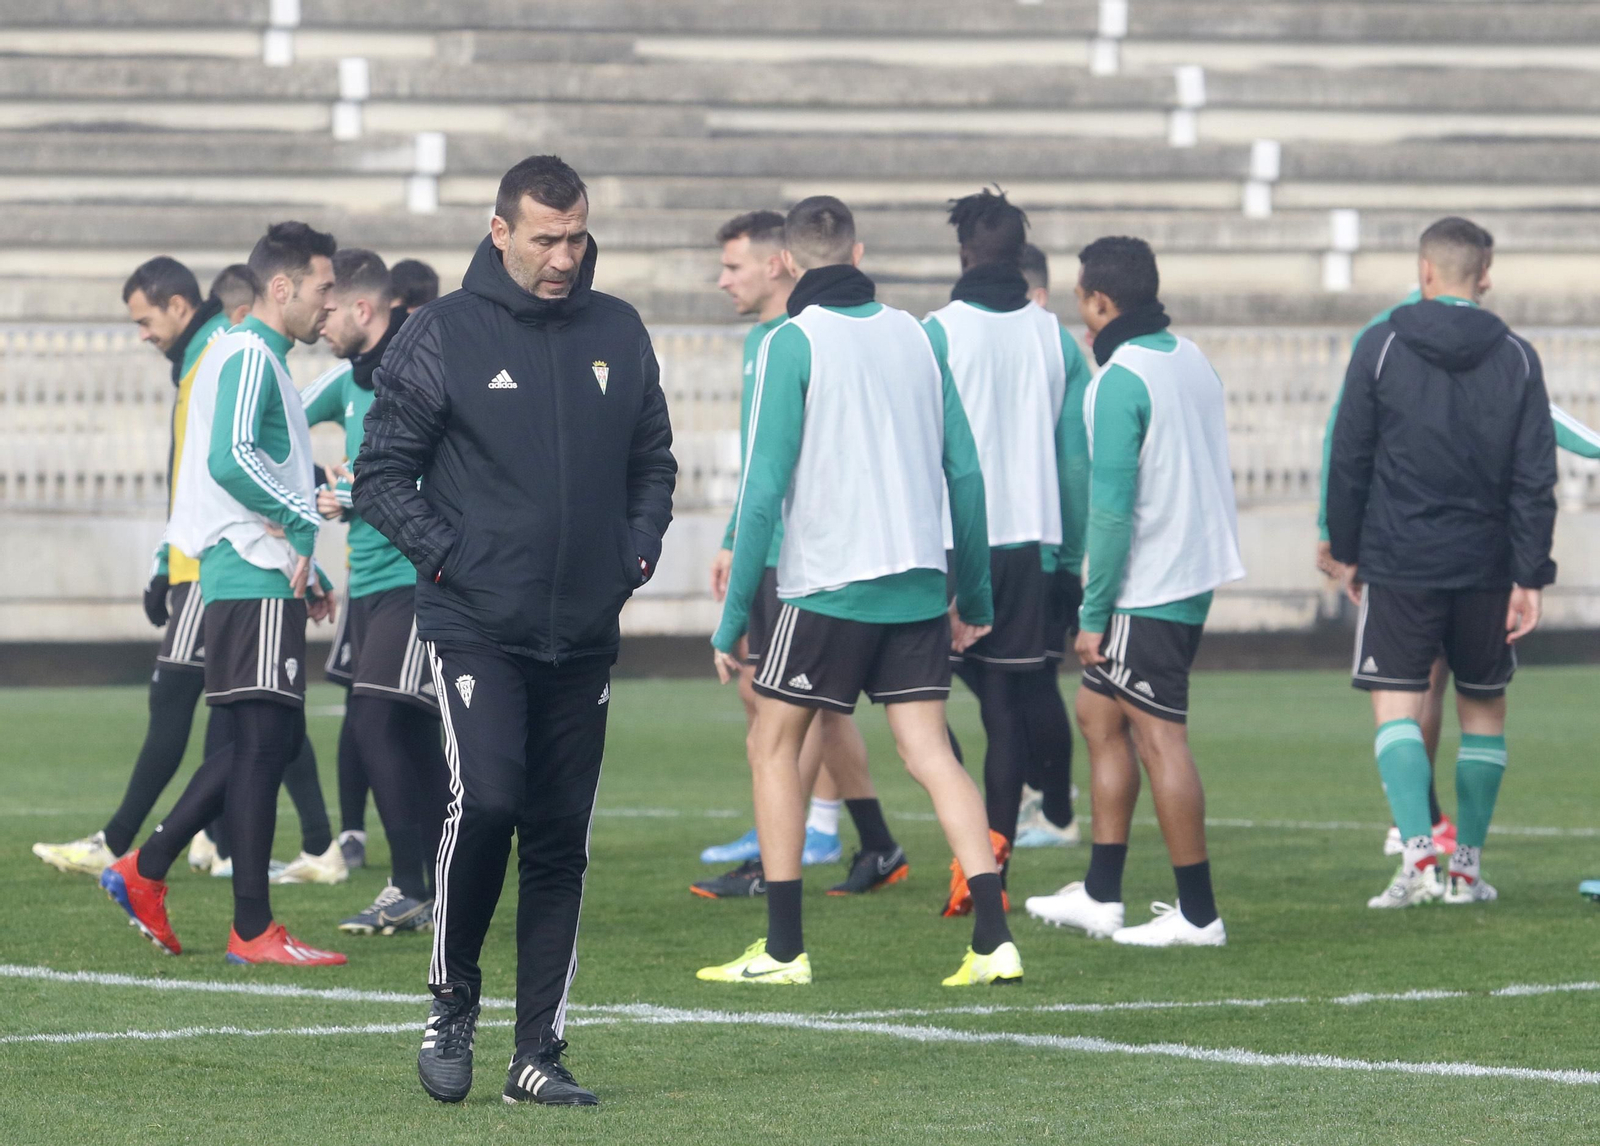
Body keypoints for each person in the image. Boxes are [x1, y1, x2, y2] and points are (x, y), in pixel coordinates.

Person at [354, 155, 675, 1107]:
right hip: (475, 626)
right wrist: (456, 561)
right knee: (487, 802)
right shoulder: (441, 334)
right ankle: (452, 999)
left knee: (559, 839)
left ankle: (539, 1051)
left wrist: (638, 552)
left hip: (584, 632)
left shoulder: (620, 327)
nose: (565, 256)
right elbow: (380, 477)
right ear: (501, 232)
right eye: (547, 238)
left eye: (577, 236)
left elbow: (653, 461)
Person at [702, 195, 1019, 988]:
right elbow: (967, 475)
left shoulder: (792, 340)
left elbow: (763, 488)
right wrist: (973, 597)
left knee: (770, 743)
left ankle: (782, 950)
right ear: (859, 249)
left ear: (786, 262)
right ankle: (992, 938)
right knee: (930, 753)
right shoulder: (917, 333)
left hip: (828, 585)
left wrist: (732, 619)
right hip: (916, 581)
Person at [34, 258, 332, 885]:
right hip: (227, 558)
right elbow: (217, 466)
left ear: (178, 305)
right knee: (260, 715)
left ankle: (142, 851)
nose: (142, 333)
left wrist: (294, 538)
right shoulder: (230, 356)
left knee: (245, 712)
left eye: (145, 319)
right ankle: (213, 852)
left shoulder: (222, 356)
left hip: (221, 561)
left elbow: (220, 465)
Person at [99, 221, 347, 966]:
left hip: (249, 570)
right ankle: (228, 914)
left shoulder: (248, 353)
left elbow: (247, 469)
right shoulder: (248, 354)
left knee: (252, 744)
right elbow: (232, 459)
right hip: (247, 575)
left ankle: (158, 876)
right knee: (262, 744)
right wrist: (304, 520)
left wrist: (311, 563)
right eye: (323, 288)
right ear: (283, 287)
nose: (328, 304)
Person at [1315, 252, 1600, 860]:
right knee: (1474, 703)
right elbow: (1536, 467)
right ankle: (1466, 868)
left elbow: (1346, 445)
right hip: (1485, 563)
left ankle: (1416, 849)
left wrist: (1342, 544)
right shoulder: (1514, 354)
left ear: (1425, 273)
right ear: (1485, 277)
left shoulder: (1382, 345)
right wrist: (1531, 572)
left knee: (1401, 698)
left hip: (1400, 556)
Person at [1024, 236, 1244, 947]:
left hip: (1148, 585)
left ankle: (1199, 914)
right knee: (1098, 716)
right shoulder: (1190, 358)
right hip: (1186, 572)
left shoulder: (1121, 378)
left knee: (1160, 738)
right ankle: (1101, 892)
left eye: (1082, 299)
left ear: (1099, 301)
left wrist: (1093, 614)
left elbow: (1113, 509)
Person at [697, 210, 907, 899]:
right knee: (812, 708)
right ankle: (871, 841)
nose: (723, 279)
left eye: (735, 266)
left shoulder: (799, 338)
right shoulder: (765, 340)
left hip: (805, 557)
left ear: (779, 262)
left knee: (785, 709)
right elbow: (762, 464)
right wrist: (734, 539)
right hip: (774, 551)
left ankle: (787, 846)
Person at [925, 190, 1090, 917]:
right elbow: (1076, 461)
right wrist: (1071, 557)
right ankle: (991, 855)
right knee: (1006, 707)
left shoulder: (932, 334)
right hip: (1029, 540)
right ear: (1022, 255)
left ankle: (973, 849)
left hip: (945, 539)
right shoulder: (1056, 339)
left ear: (963, 254)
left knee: (915, 705)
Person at [302, 249, 451, 935]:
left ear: (364, 309)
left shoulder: (415, 370)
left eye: (329, 306)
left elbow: (438, 472)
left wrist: (358, 491)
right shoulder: (353, 377)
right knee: (410, 733)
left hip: (414, 576)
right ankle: (436, 880)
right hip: (370, 579)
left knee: (373, 721)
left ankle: (412, 884)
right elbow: (283, 422)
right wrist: (320, 487)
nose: (319, 319)